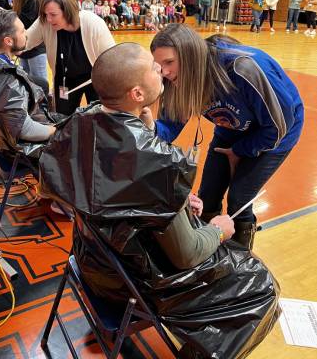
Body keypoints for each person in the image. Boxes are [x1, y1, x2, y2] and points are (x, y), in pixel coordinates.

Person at [38, 42, 281, 359]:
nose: (163, 72)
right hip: (130, 285)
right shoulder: (160, 163)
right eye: (155, 69)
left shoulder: (80, 121)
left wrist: (176, 203)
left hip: (91, 262)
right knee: (261, 286)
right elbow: (187, 254)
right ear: (137, 94)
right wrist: (220, 229)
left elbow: (82, 186)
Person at [150, 24, 304, 249]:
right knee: (208, 194)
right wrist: (146, 129)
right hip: (232, 128)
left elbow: (278, 126)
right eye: (159, 65)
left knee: (239, 197)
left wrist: (241, 151)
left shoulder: (243, 68)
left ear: (190, 56)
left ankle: (242, 260)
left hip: (276, 133)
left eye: (169, 62)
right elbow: (169, 124)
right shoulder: (176, 78)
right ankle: (209, 252)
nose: (164, 72)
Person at [0, 10, 55, 158]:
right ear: (8, 41)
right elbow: (25, 130)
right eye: (22, 31)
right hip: (19, 146)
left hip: (2, 134)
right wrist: (55, 130)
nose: (26, 34)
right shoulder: (4, 81)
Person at [25, 0, 115, 115]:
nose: (48, 19)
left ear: (67, 12)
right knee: (63, 117)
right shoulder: (45, 22)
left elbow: (112, 59)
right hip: (65, 80)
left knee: (98, 118)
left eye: (53, 15)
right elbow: (24, 41)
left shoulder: (94, 23)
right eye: (46, 14)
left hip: (95, 79)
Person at [8, 0, 48, 90]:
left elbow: (21, 23)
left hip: (35, 51)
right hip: (25, 50)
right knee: (28, 87)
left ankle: (43, 111)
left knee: (40, 88)